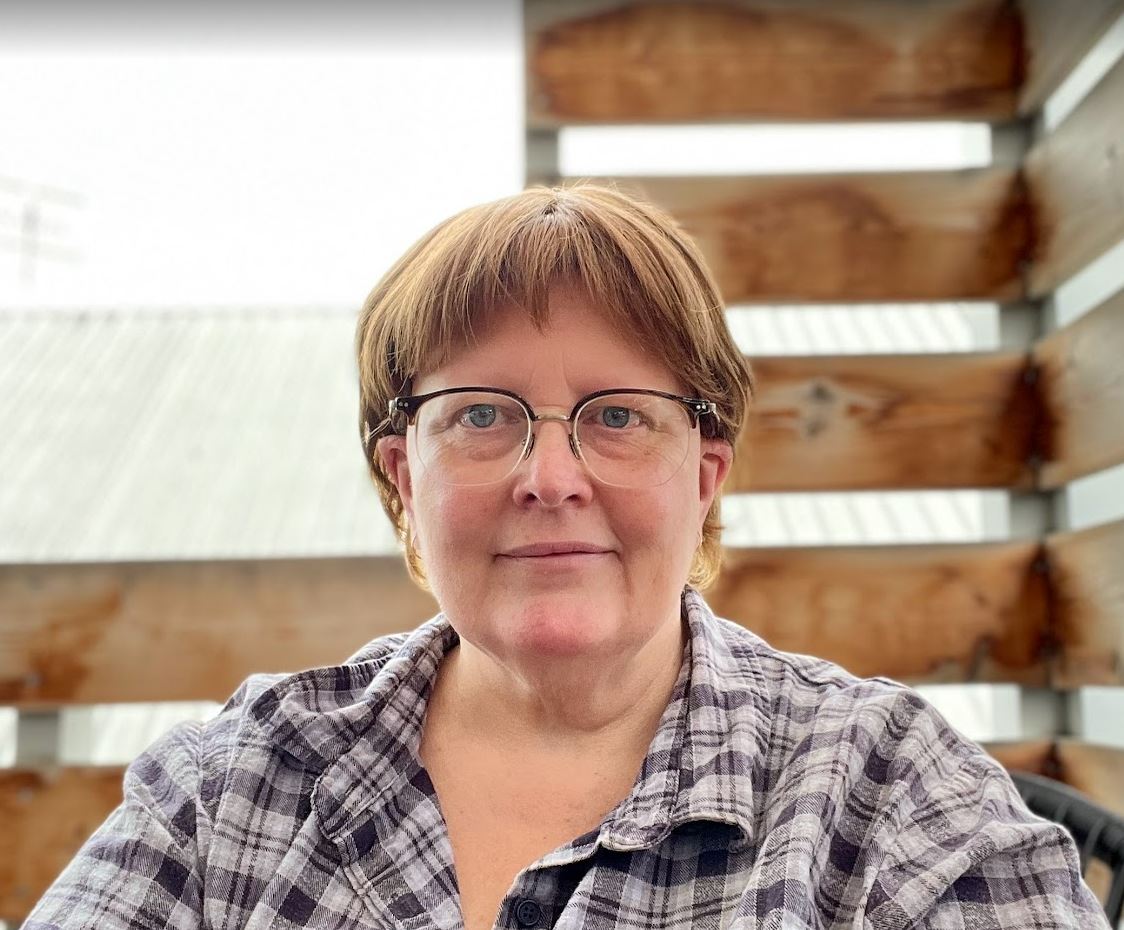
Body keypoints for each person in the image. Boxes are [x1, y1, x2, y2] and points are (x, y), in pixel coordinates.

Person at [26, 184, 1107, 930]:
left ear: (704, 474)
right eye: (484, 414)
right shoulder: (237, 788)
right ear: (405, 475)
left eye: (621, 416)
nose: (550, 474)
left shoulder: (890, 798)